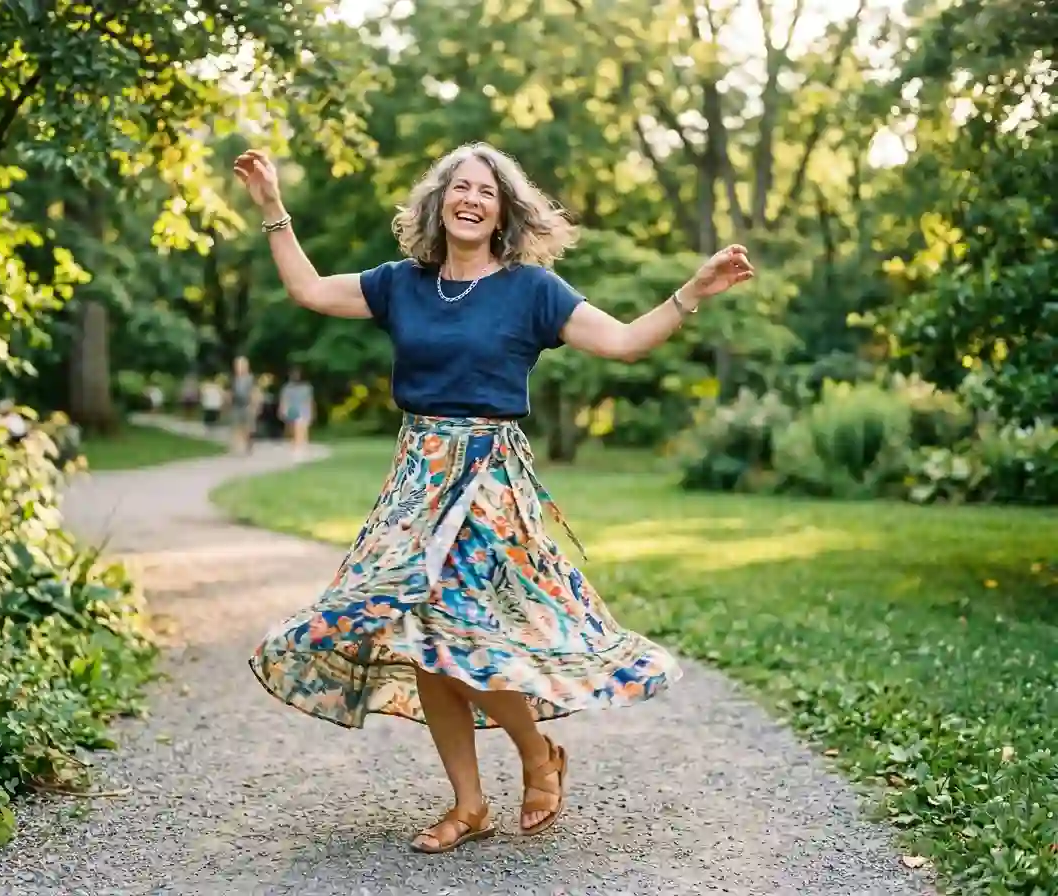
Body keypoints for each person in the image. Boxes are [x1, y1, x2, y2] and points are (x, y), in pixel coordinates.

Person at [232, 142, 755, 854]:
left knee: (464, 631)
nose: (472, 199)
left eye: (487, 190)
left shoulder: (531, 290)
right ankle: (470, 803)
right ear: (439, 202)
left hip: (487, 479)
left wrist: (692, 290)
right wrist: (272, 208)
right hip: (417, 477)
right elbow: (311, 290)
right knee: (422, 635)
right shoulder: (401, 284)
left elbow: (626, 342)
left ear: (504, 210)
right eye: (460, 187)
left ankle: (536, 756)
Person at [277, 365, 314, 454]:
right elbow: (284, 400)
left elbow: (310, 400)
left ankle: (302, 446)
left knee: (303, 428)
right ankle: (296, 446)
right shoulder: (287, 387)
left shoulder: (306, 387)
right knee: (293, 429)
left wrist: (312, 411)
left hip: (304, 409)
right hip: (292, 410)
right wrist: (282, 410)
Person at [230, 355, 256, 453]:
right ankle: (237, 446)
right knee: (236, 425)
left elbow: (254, 392)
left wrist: (254, 406)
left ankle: (248, 444)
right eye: (237, 365)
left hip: (247, 404)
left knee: (248, 426)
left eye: (241, 365)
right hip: (237, 405)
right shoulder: (234, 379)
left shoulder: (250, 378)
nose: (238, 368)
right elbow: (232, 392)